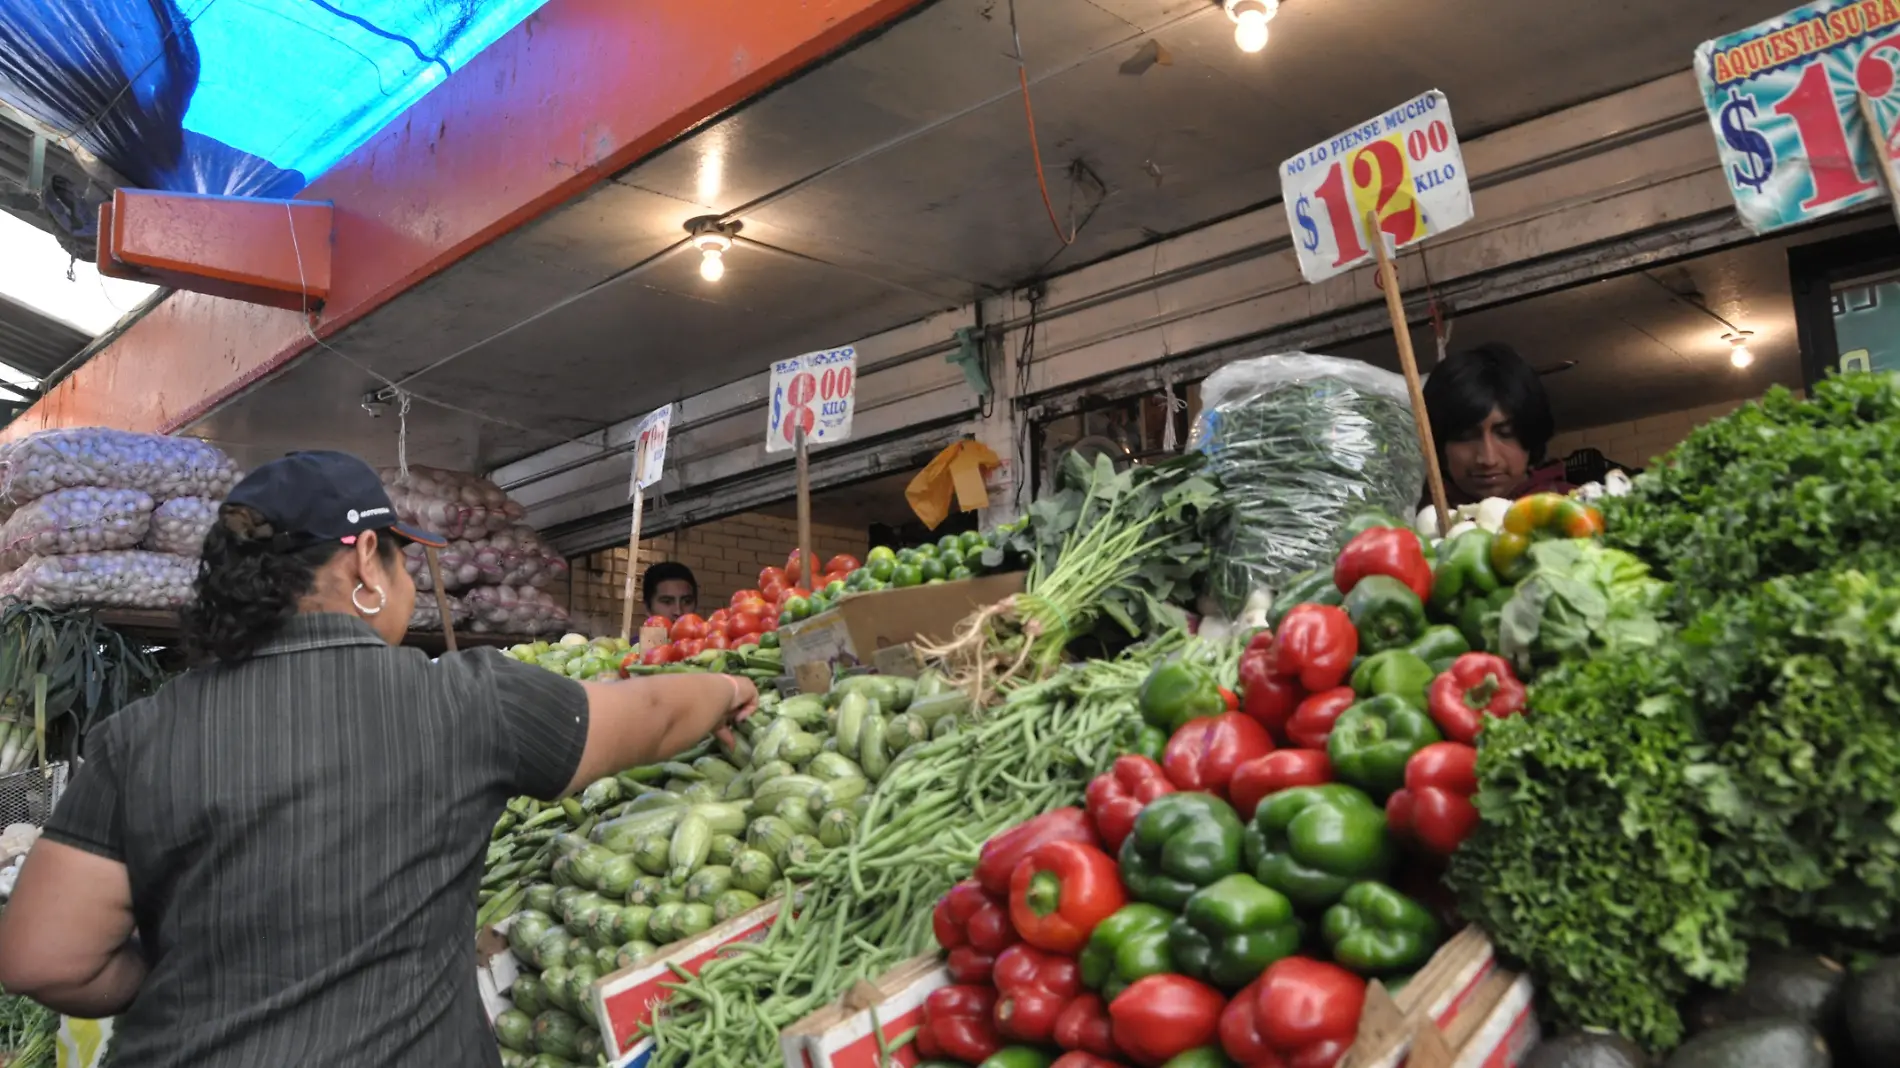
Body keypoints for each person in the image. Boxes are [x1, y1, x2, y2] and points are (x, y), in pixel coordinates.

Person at [0, 451, 755, 1068]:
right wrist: (727, 685)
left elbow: (44, 957)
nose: (405, 582)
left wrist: (176, 974)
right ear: (365, 559)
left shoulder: (141, 735)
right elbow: (650, 714)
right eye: (401, 562)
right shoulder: (465, 702)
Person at [1420, 342, 1573, 506]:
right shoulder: (1409, 517)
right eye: (1465, 436)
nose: (1488, 459)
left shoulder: (1578, 510)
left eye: (1506, 433)